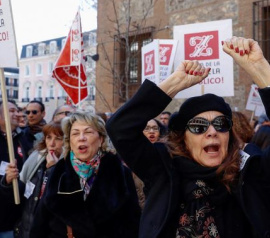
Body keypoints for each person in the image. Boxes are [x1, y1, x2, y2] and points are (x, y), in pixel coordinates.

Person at [106, 36, 270, 238]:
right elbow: (120, 128)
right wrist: (174, 84)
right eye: (199, 127)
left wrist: (260, 69)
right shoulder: (163, 169)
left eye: (221, 124)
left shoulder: (250, 172)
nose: (212, 132)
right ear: (183, 138)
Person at [29, 110, 141, 238]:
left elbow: (132, 222)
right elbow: (40, 223)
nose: (81, 137)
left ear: (101, 140)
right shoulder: (59, 172)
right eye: (75, 133)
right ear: (70, 142)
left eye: (88, 132)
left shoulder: (119, 172)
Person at [3, 121, 64, 238]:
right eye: (48, 137)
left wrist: (53, 170)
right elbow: (20, 194)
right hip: (26, 230)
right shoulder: (36, 158)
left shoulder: (72, 165)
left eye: (58, 138)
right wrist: (9, 181)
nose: (51, 143)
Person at [0, 100, 35, 238]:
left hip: (17, 214)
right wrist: (5, 181)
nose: (17, 114)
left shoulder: (25, 138)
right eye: (11, 111)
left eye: (17, 110)